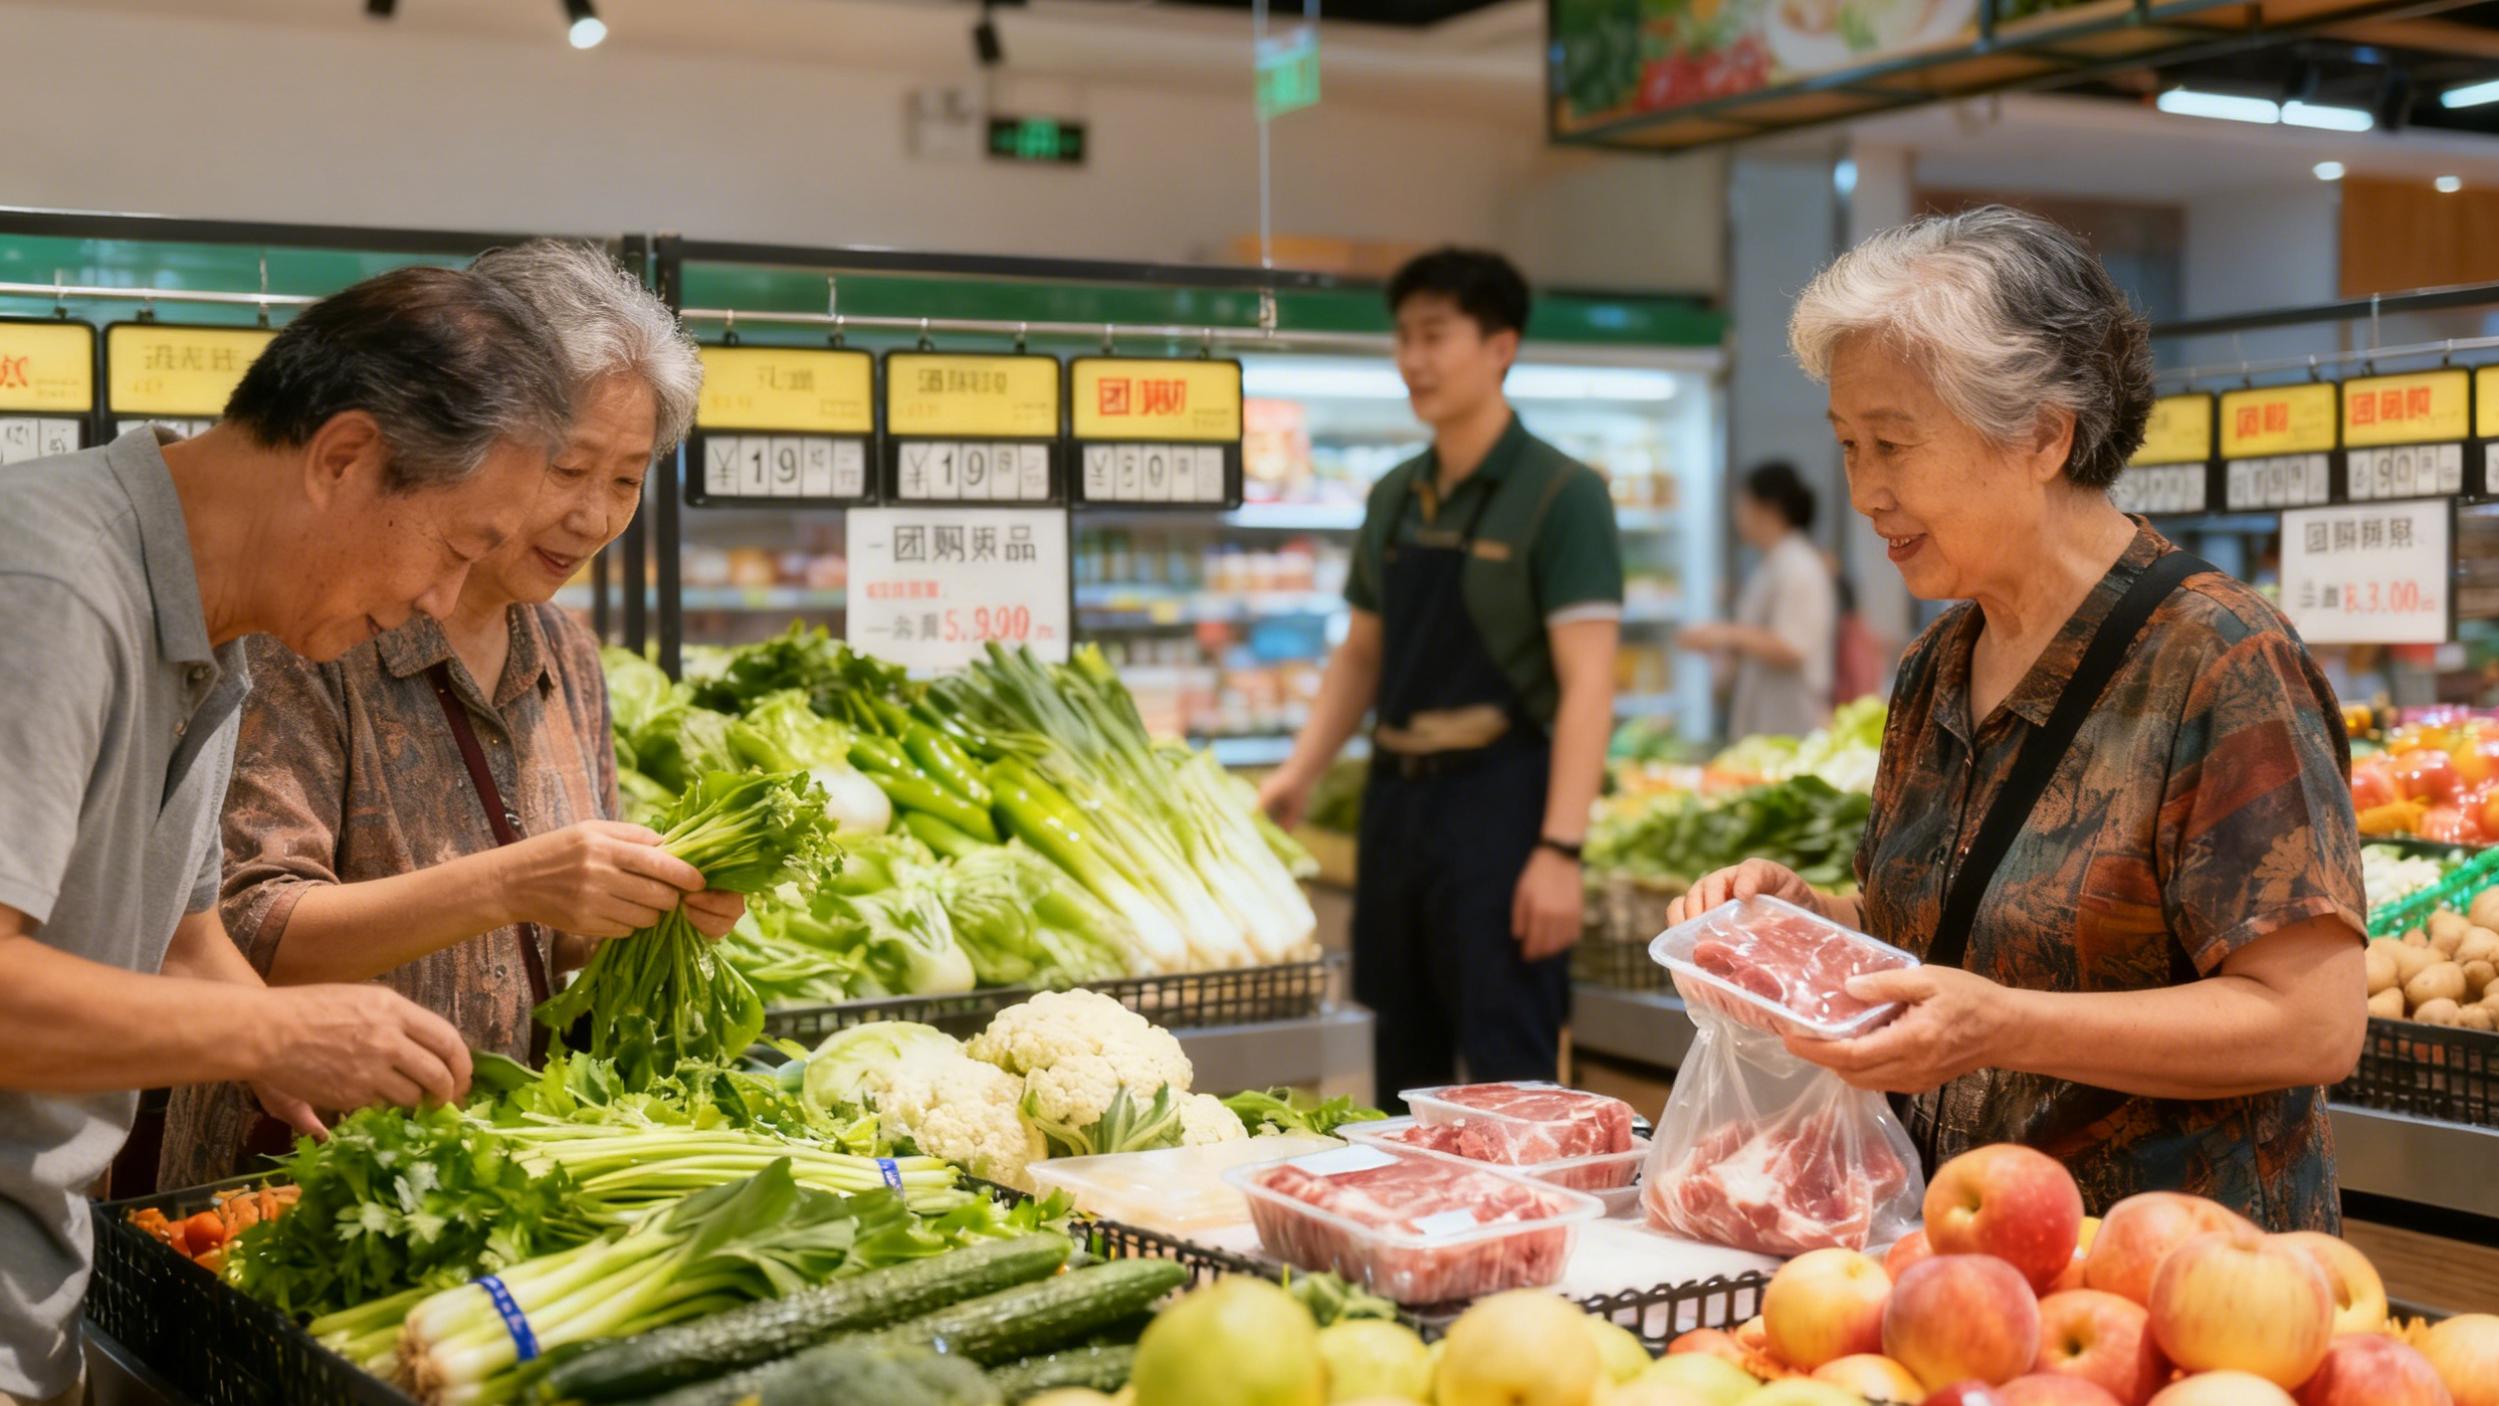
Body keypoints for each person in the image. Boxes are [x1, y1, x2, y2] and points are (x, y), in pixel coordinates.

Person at [1669, 206, 2364, 1231]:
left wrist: (2002, 1029)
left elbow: (2310, 1021)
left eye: (1894, 444)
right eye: (1849, 445)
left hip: (2170, 1279)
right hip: (1950, 1251)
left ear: (2043, 434)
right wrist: (1807, 921)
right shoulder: (1936, 665)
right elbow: (1945, 937)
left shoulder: (2220, 658)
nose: (1866, 490)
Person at [0, 265, 577, 1406]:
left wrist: (316, 1050)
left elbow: (179, 937)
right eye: (459, 546)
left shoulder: (220, 628)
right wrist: (277, 1033)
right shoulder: (53, 589)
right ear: (344, 458)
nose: (439, 597)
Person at [158, 242, 741, 1191]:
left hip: (520, 1173)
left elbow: (556, 943)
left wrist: (643, 910)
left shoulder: (568, 653)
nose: (593, 516)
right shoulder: (307, 627)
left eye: (627, 480)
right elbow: (244, 927)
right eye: (567, 468)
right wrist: (515, 882)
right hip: (304, 1174)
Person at [1258, 248, 1622, 1099]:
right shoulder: (1394, 495)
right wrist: (1297, 774)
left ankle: (1526, 1225)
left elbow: (1588, 686)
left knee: (1510, 1071)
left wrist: (1560, 849)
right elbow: (1360, 655)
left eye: (1435, 336)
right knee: (1397, 1060)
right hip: (1395, 808)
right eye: (1403, 338)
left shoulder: (1560, 495)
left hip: (1501, 807)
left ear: (1500, 346)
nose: (1412, 359)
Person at [1678, 460, 1837, 739]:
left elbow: (1792, 647)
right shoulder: (1774, 562)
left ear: (1767, 508)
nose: (1737, 514)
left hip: (1791, 725)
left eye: (1742, 504)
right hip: (1768, 723)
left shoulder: (1799, 565)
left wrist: (1724, 635)